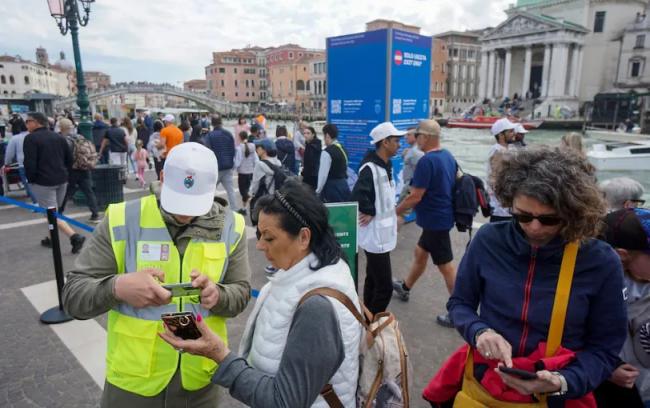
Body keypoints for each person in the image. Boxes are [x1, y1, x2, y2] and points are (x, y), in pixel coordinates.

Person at [424, 147, 627, 406]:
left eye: (550, 219)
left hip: (557, 395)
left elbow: (605, 348)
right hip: (486, 384)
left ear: (573, 212)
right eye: (523, 215)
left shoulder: (601, 261)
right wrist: (480, 331)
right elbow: (460, 303)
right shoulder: (488, 240)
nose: (534, 227)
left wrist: (563, 381)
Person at [62, 142, 251, 407]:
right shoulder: (121, 219)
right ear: (161, 177)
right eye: (178, 201)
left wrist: (218, 295)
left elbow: (241, 293)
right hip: (133, 383)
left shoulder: (232, 225)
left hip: (199, 382)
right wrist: (117, 288)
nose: (185, 213)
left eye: (194, 204)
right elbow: (73, 297)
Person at [159, 180, 363, 407]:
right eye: (259, 235)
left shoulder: (318, 307)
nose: (260, 246)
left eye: (270, 237)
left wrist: (219, 354)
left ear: (304, 237)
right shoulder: (303, 275)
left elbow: (283, 401)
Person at [392, 120, 457, 328]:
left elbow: (415, 197)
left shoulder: (426, 162)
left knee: (445, 266)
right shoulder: (447, 156)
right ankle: (405, 287)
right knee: (421, 253)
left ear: (426, 137)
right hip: (440, 218)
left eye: (417, 135)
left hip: (435, 221)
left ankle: (459, 311)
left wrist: (394, 212)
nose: (415, 138)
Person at [594, 208, 650, 407]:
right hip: (613, 386)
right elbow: (572, 336)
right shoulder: (591, 284)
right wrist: (607, 370)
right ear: (621, 255)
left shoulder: (644, 276)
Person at [352, 122, 404, 315]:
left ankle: (366, 316)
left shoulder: (385, 165)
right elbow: (358, 194)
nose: (399, 144)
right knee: (385, 287)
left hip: (381, 236)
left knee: (372, 280)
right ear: (385, 142)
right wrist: (369, 210)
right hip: (375, 238)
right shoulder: (370, 168)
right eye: (396, 141)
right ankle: (372, 324)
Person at [23, 112, 86, 253]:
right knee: (54, 211)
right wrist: (67, 175)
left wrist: (31, 180)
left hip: (43, 182)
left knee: (51, 213)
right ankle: (52, 238)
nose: (26, 124)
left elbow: (30, 163)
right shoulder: (59, 137)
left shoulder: (31, 139)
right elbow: (69, 159)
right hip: (61, 179)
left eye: (28, 121)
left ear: (37, 122)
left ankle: (74, 237)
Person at [58, 118, 100, 223]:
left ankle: (59, 213)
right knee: (89, 192)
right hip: (84, 168)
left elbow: (63, 157)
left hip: (72, 170)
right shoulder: (80, 137)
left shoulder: (63, 140)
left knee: (66, 193)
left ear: (61, 127)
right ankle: (95, 214)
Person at [203, 116, 239, 212]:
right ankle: (235, 209)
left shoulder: (209, 136)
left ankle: (206, 209)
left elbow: (208, 152)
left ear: (212, 124)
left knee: (210, 190)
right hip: (228, 166)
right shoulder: (228, 134)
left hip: (216, 168)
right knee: (230, 190)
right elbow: (233, 149)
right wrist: (231, 162)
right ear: (221, 122)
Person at [487, 117, 517, 222]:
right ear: (501, 135)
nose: (514, 133)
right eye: (510, 131)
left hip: (507, 209)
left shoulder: (508, 149)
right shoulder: (498, 152)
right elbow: (495, 181)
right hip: (501, 211)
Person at [2, 119, 38, 204]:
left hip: (23, 164)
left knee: (28, 184)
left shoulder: (15, 138)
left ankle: (36, 202)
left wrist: (7, 163)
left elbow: (9, 153)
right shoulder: (36, 136)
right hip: (38, 162)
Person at [317, 123, 351, 203]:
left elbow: (323, 175)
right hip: (344, 186)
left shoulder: (326, 152)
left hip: (331, 188)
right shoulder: (343, 149)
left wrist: (318, 191)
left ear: (327, 135)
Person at [397, 127, 424, 211]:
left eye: (408, 135)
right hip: (410, 185)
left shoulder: (415, 152)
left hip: (410, 186)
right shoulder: (412, 150)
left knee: (399, 211)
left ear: (416, 136)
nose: (405, 137)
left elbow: (420, 172)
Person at [235, 131, 256, 216]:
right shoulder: (253, 146)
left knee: (242, 191)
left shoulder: (239, 148)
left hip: (242, 173)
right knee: (246, 190)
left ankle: (250, 198)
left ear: (240, 137)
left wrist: (234, 167)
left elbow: (238, 161)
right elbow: (255, 160)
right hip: (250, 172)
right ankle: (244, 209)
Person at [301, 126, 321, 191]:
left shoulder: (313, 146)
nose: (305, 135)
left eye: (308, 133)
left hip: (312, 177)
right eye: (304, 133)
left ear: (313, 134)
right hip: (309, 175)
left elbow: (312, 162)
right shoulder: (308, 144)